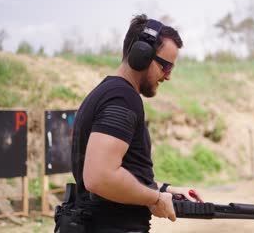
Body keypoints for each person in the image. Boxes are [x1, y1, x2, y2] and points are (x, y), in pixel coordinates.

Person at [69, 14, 203, 232]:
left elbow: (122, 176)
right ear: (142, 55)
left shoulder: (109, 93)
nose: (167, 76)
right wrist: (155, 198)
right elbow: (100, 177)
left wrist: (166, 190)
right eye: (165, 67)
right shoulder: (122, 99)